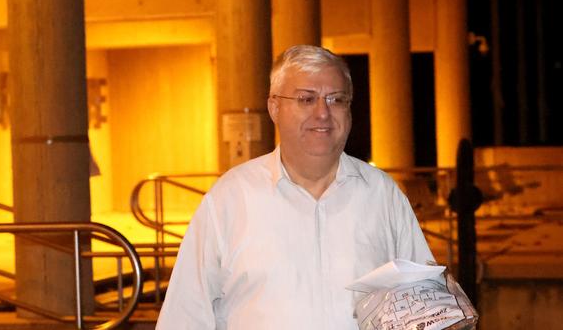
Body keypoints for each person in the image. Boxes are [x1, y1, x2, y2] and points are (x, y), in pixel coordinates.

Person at [156, 45, 435, 329]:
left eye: (336, 100)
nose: (323, 113)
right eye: (306, 99)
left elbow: (427, 308)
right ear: (274, 107)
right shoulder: (230, 198)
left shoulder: (383, 195)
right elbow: (185, 316)